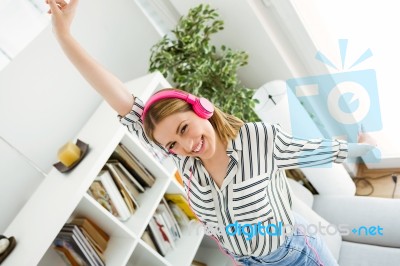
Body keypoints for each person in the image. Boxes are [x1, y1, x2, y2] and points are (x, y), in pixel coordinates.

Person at [46, 1, 377, 265]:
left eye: (184, 128)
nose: (187, 145)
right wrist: (64, 35)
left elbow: (318, 150)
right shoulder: (186, 164)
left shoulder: (258, 140)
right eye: (172, 144)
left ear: (201, 107)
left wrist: (362, 147)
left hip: (295, 254)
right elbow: (117, 97)